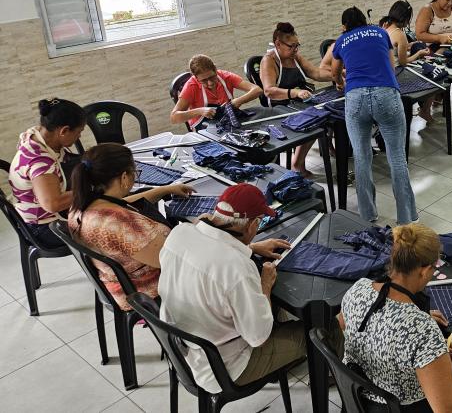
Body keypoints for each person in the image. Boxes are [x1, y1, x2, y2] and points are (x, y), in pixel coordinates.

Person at [158, 183, 297, 394]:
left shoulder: (179, 234)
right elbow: (258, 337)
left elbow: (209, 254)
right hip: (226, 368)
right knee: (320, 331)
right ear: (252, 225)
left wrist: (249, 248)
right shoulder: (237, 269)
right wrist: (265, 285)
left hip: (186, 350)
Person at [339, 223, 452, 413]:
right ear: (424, 270)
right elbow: (447, 410)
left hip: (358, 398)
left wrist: (408, 317)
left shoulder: (358, 289)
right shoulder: (423, 330)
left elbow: (343, 323)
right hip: (399, 407)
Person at [67, 143, 194, 311]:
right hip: (144, 291)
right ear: (125, 177)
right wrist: (203, 227)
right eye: (135, 173)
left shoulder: (81, 207)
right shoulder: (122, 224)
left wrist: (165, 190)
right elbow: (169, 260)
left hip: (116, 283)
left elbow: (123, 203)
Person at [332, 7, 418, 225]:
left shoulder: (342, 40)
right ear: (364, 21)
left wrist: (341, 83)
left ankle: (368, 215)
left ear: (345, 26)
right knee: (397, 158)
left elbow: (334, 72)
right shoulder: (381, 33)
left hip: (356, 98)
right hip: (386, 93)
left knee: (361, 158)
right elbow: (390, 64)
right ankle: (406, 217)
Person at [8, 98, 86, 249]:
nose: (79, 137)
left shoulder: (37, 134)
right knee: (106, 224)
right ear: (63, 131)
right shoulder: (40, 162)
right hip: (43, 228)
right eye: (79, 132)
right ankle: (110, 270)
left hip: (37, 216)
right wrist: (91, 189)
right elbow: (53, 204)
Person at [260, 22, 334, 177]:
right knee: (313, 120)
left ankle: (327, 146)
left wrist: (338, 75)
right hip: (279, 107)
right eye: (291, 46)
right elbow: (269, 91)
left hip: (299, 102)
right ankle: (297, 163)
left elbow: (316, 73)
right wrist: (294, 92)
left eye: (297, 46)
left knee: (328, 111)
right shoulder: (269, 60)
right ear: (278, 44)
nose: (295, 50)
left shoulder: (296, 57)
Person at [170, 54, 262, 130]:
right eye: (204, 80)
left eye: (212, 77)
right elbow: (174, 117)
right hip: (205, 129)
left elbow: (257, 90)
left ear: (215, 69)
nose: (210, 83)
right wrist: (199, 111)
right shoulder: (191, 86)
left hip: (228, 122)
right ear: (196, 78)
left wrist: (239, 101)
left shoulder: (226, 77)